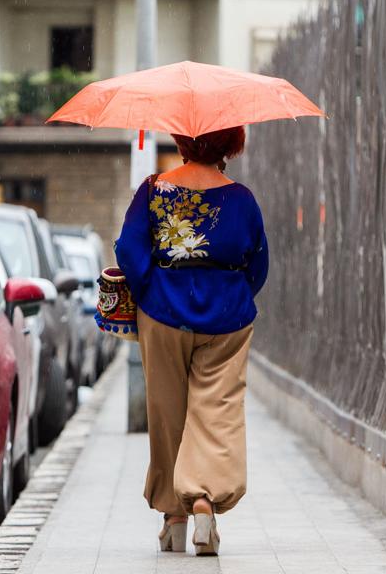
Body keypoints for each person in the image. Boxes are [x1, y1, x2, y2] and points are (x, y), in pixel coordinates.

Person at [115, 126, 269, 556]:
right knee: (215, 410)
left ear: (182, 142)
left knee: (167, 412)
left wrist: (151, 290)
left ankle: (174, 520)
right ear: (230, 145)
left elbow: (129, 249)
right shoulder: (241, 198)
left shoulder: (154, 191)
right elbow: (258, 261)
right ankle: (203, 502)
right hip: (227, 317)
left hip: (163, 311)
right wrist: (232, 295)